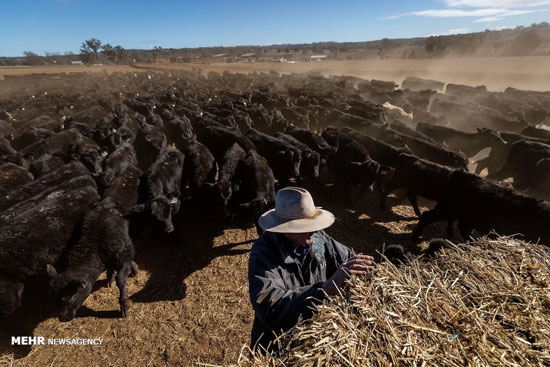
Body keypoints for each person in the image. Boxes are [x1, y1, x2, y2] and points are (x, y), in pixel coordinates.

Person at [248, 186, 375, 353]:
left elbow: (348, 260)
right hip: (279, 343)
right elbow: (271, 309)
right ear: (287, 228)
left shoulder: (316, 237)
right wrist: (323, 290)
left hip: (317, 336)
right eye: (305, 227)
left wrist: (366, 271)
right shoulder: (264, 254)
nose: (314, 231)